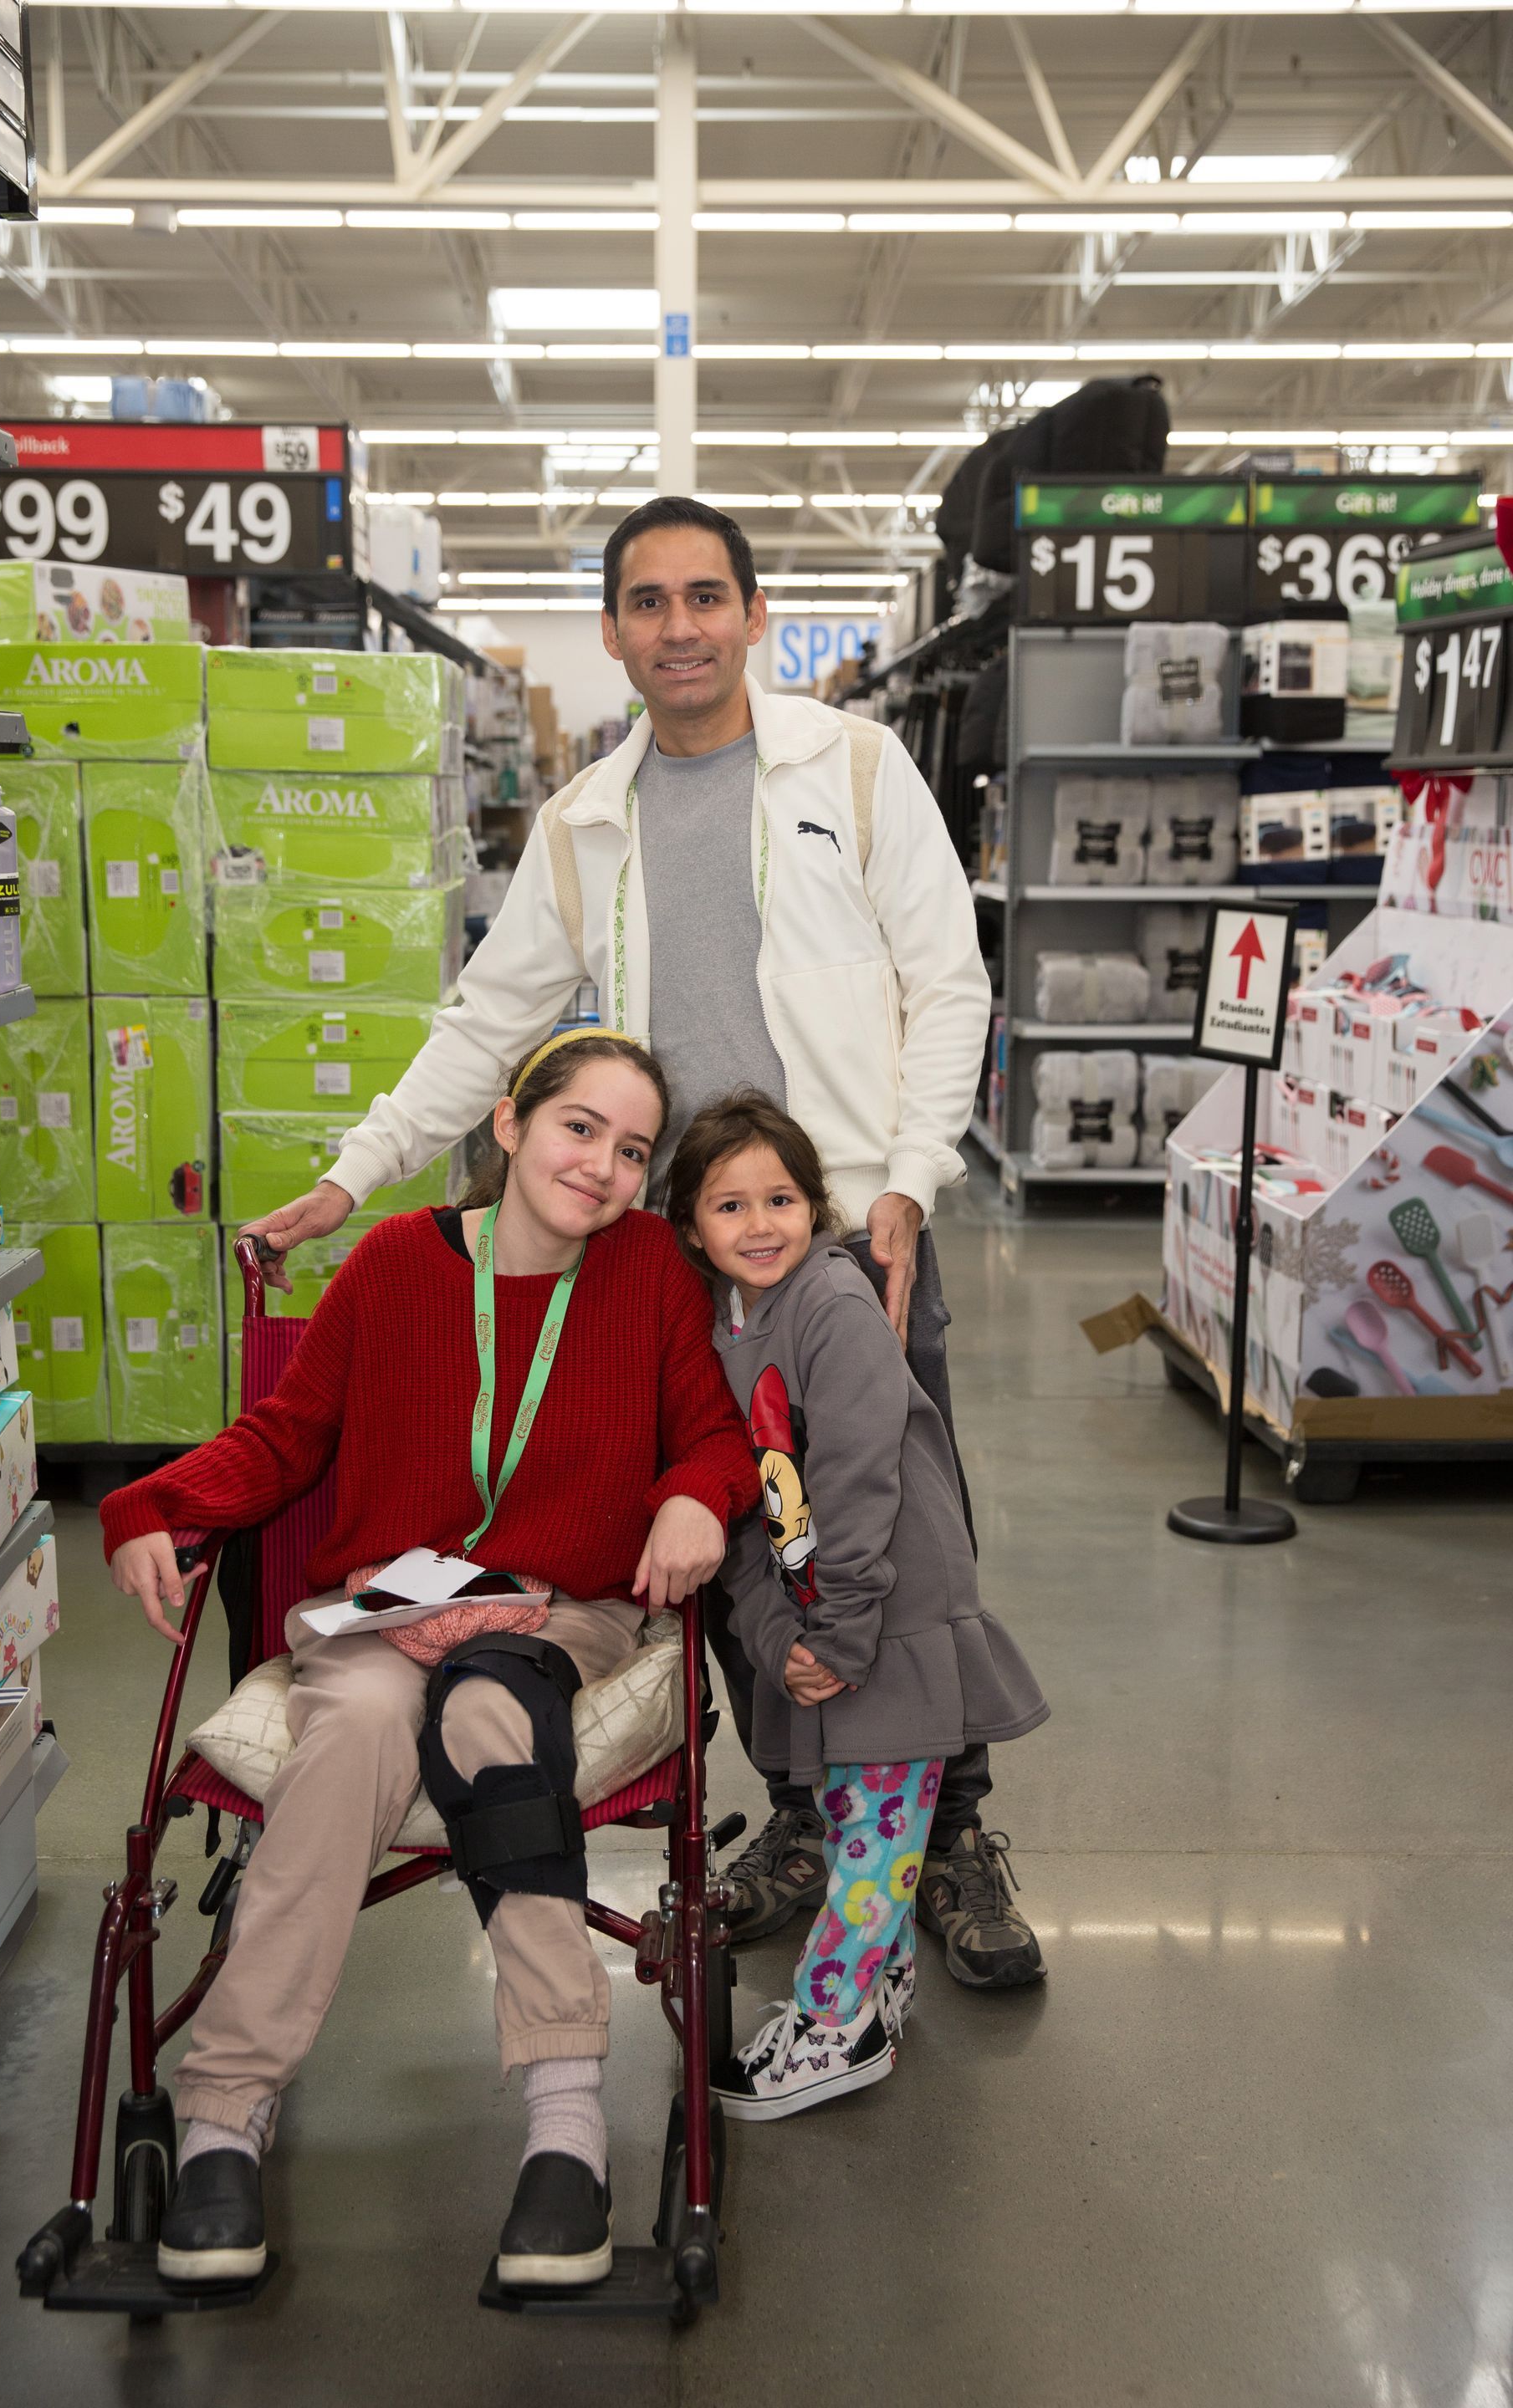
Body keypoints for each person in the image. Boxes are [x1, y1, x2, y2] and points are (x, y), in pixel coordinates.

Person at [239, 493, 1045, 1994]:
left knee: (900, 1534)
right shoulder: (584, 820)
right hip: (681, 1257)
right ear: (613, 634)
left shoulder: (854, 771)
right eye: (648, 604)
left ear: (750, 613)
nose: (679, 626)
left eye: (705, 597)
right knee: (739, 1538)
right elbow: (487, 1025)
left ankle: (956, 1831)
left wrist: (912, 1182)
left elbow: (949, 984)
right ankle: (808, 1817)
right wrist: (359, 1176)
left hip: (847, 1235)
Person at [100, 1033, 759, 2291]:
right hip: (387, 1611)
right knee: (348, 1730)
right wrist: (149, 1502)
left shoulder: (651, 1276)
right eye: (580, 1129)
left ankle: (566, 2124)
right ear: (508, 1126)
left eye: (633, 1151)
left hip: (559, 1613)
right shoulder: (400, 1265)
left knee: (489, 1719)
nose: (605, 1168)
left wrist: (691, 1495)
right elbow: (288, 1435)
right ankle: (227, 2112)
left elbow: (716, 1439)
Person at [665, 1093, 1048, 2118]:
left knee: (874, 1840)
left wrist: (835, 1631)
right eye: (729, 1206)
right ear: (691, 1226)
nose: (759, 1225)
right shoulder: (726, 1323)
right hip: (826, 1623)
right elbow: (751, 1508)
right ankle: (880, 1990)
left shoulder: (832, 1303)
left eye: (780, 1198)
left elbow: (859, 1481)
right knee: (853, 1817)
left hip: (892, 1616)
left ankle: (835, 2024)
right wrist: (780, 1632)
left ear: (816, 1202)